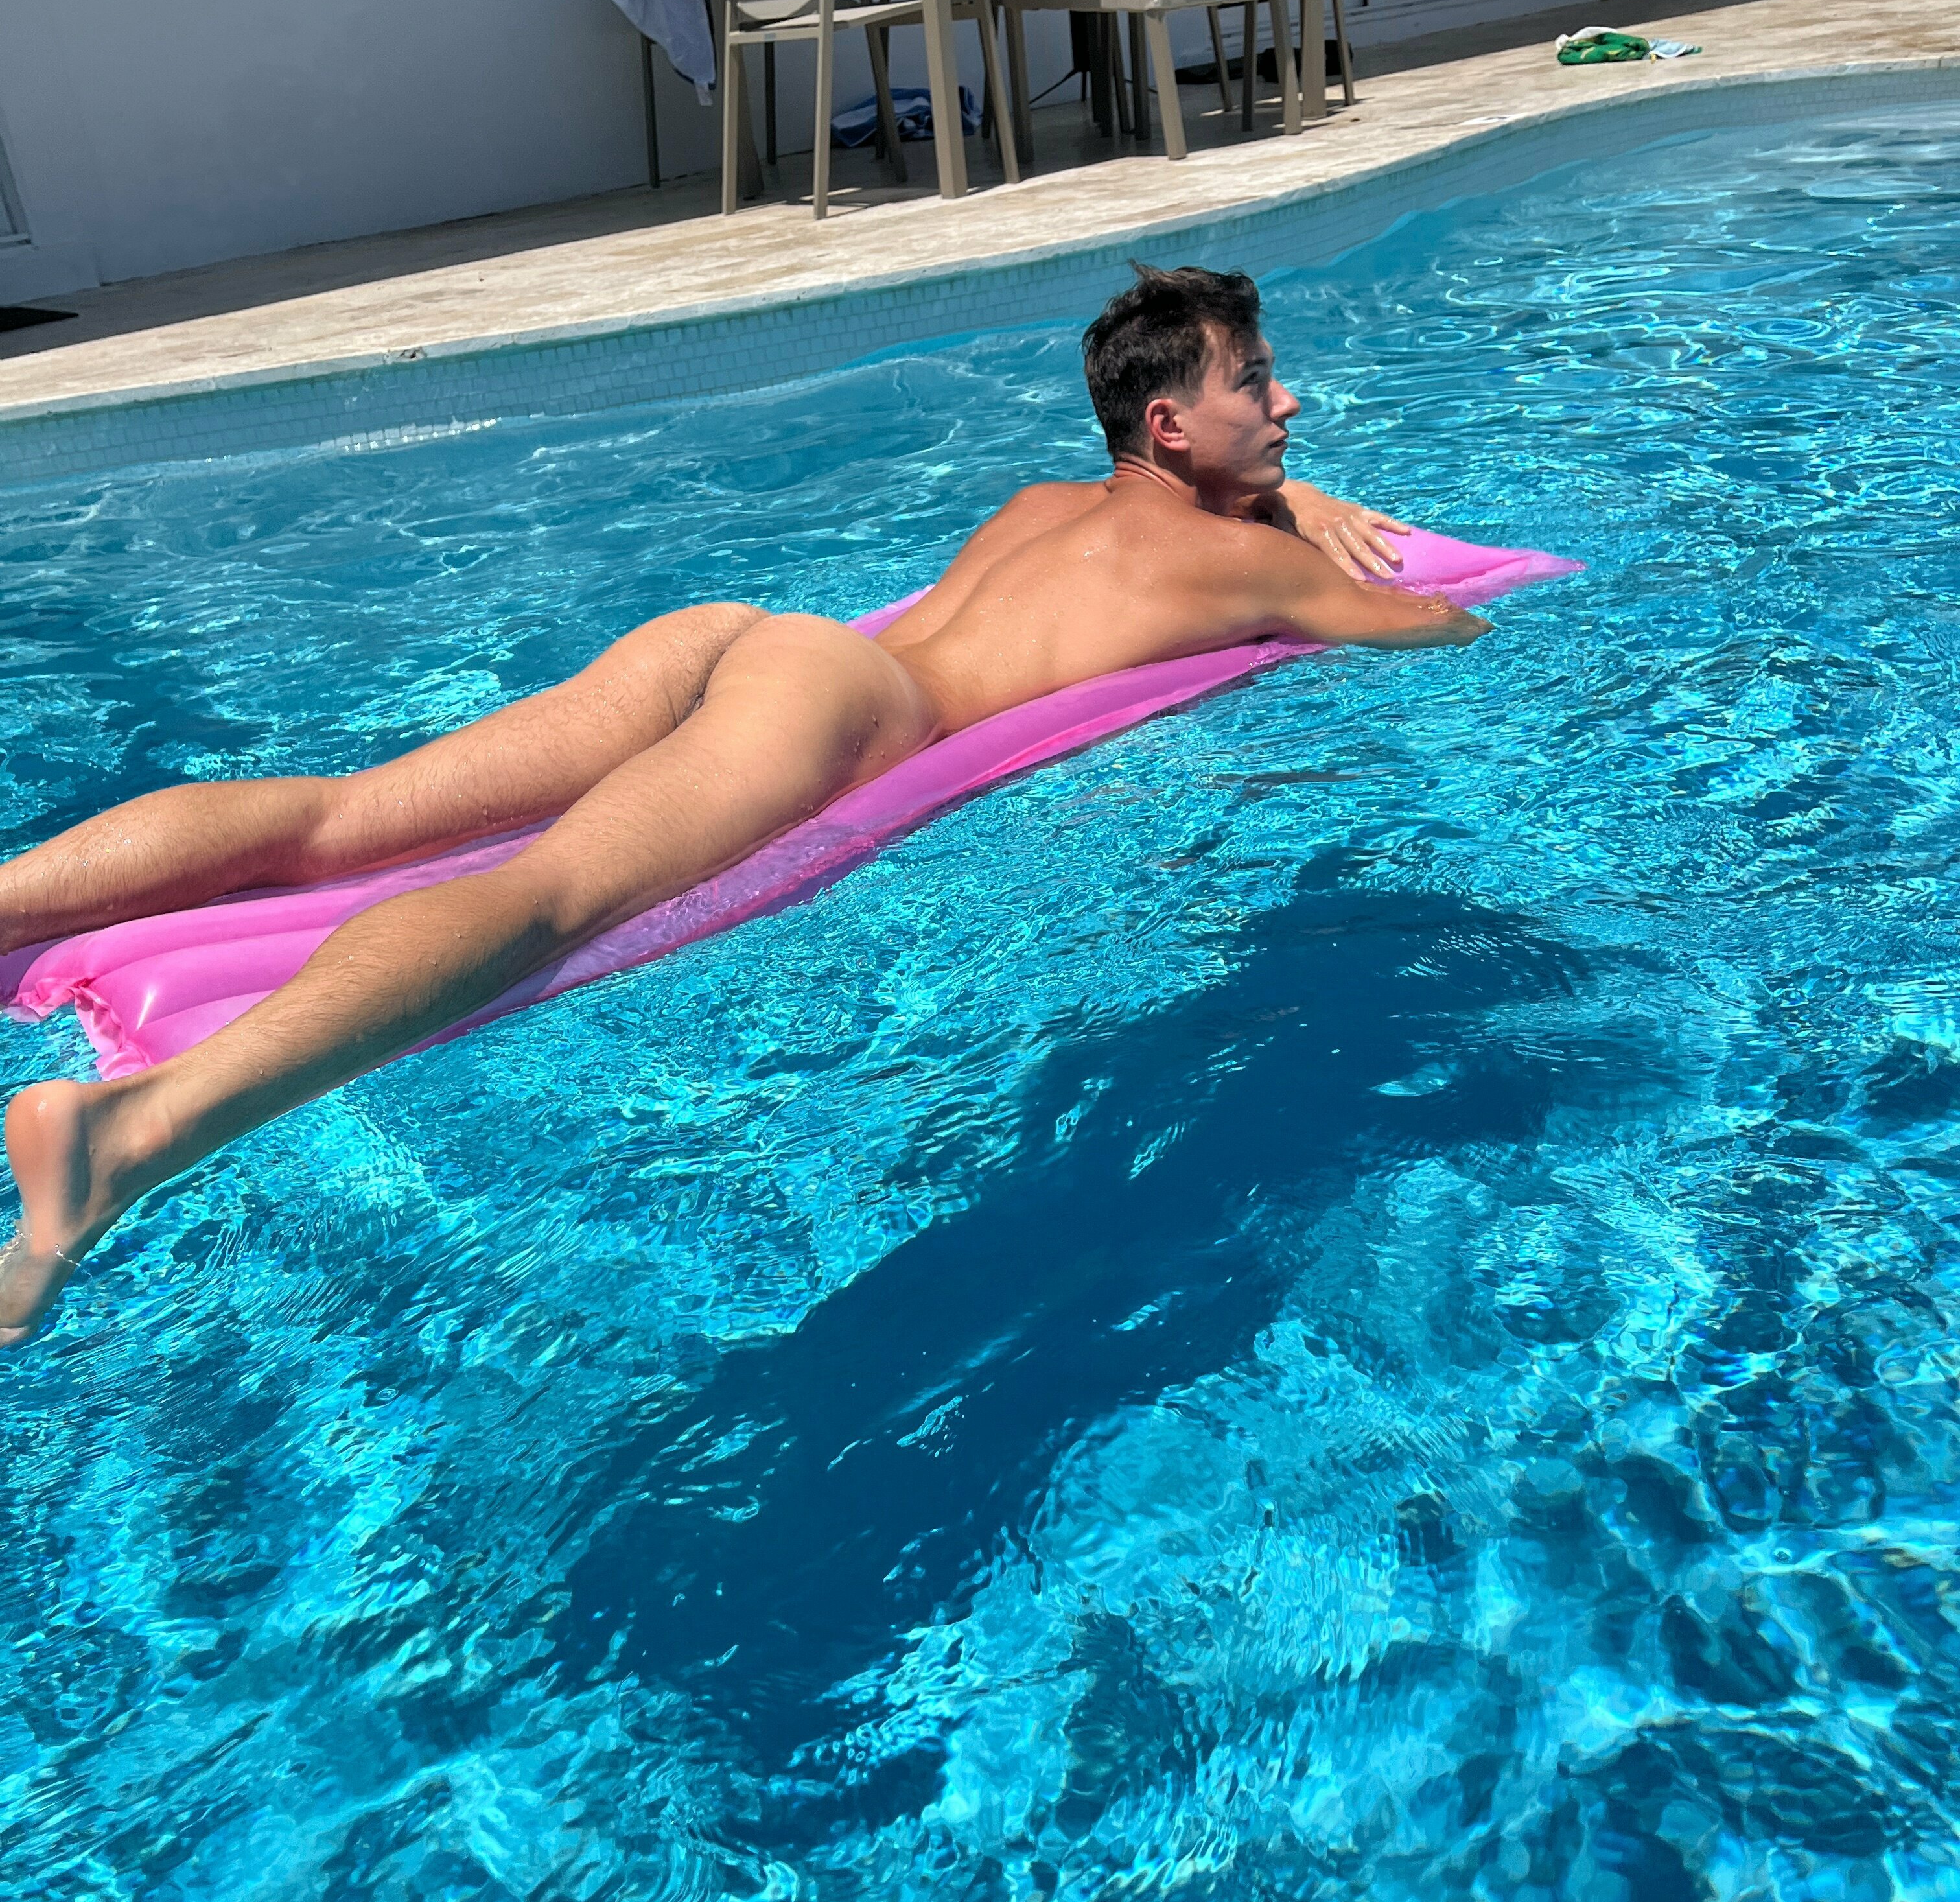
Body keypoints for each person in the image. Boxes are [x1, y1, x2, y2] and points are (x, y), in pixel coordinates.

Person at [0, 265, 1489, 1344]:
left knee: (346, 818)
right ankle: (132, 1134)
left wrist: (1276, 491)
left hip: (742, 642)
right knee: (548, 898)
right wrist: (1301, 514)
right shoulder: (1247, 560)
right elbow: (1440, 624)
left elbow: (1183, 529)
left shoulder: (1050, 505)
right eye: (1255, 382)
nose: (1288, 402)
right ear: (1170, 422)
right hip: (840, 709)